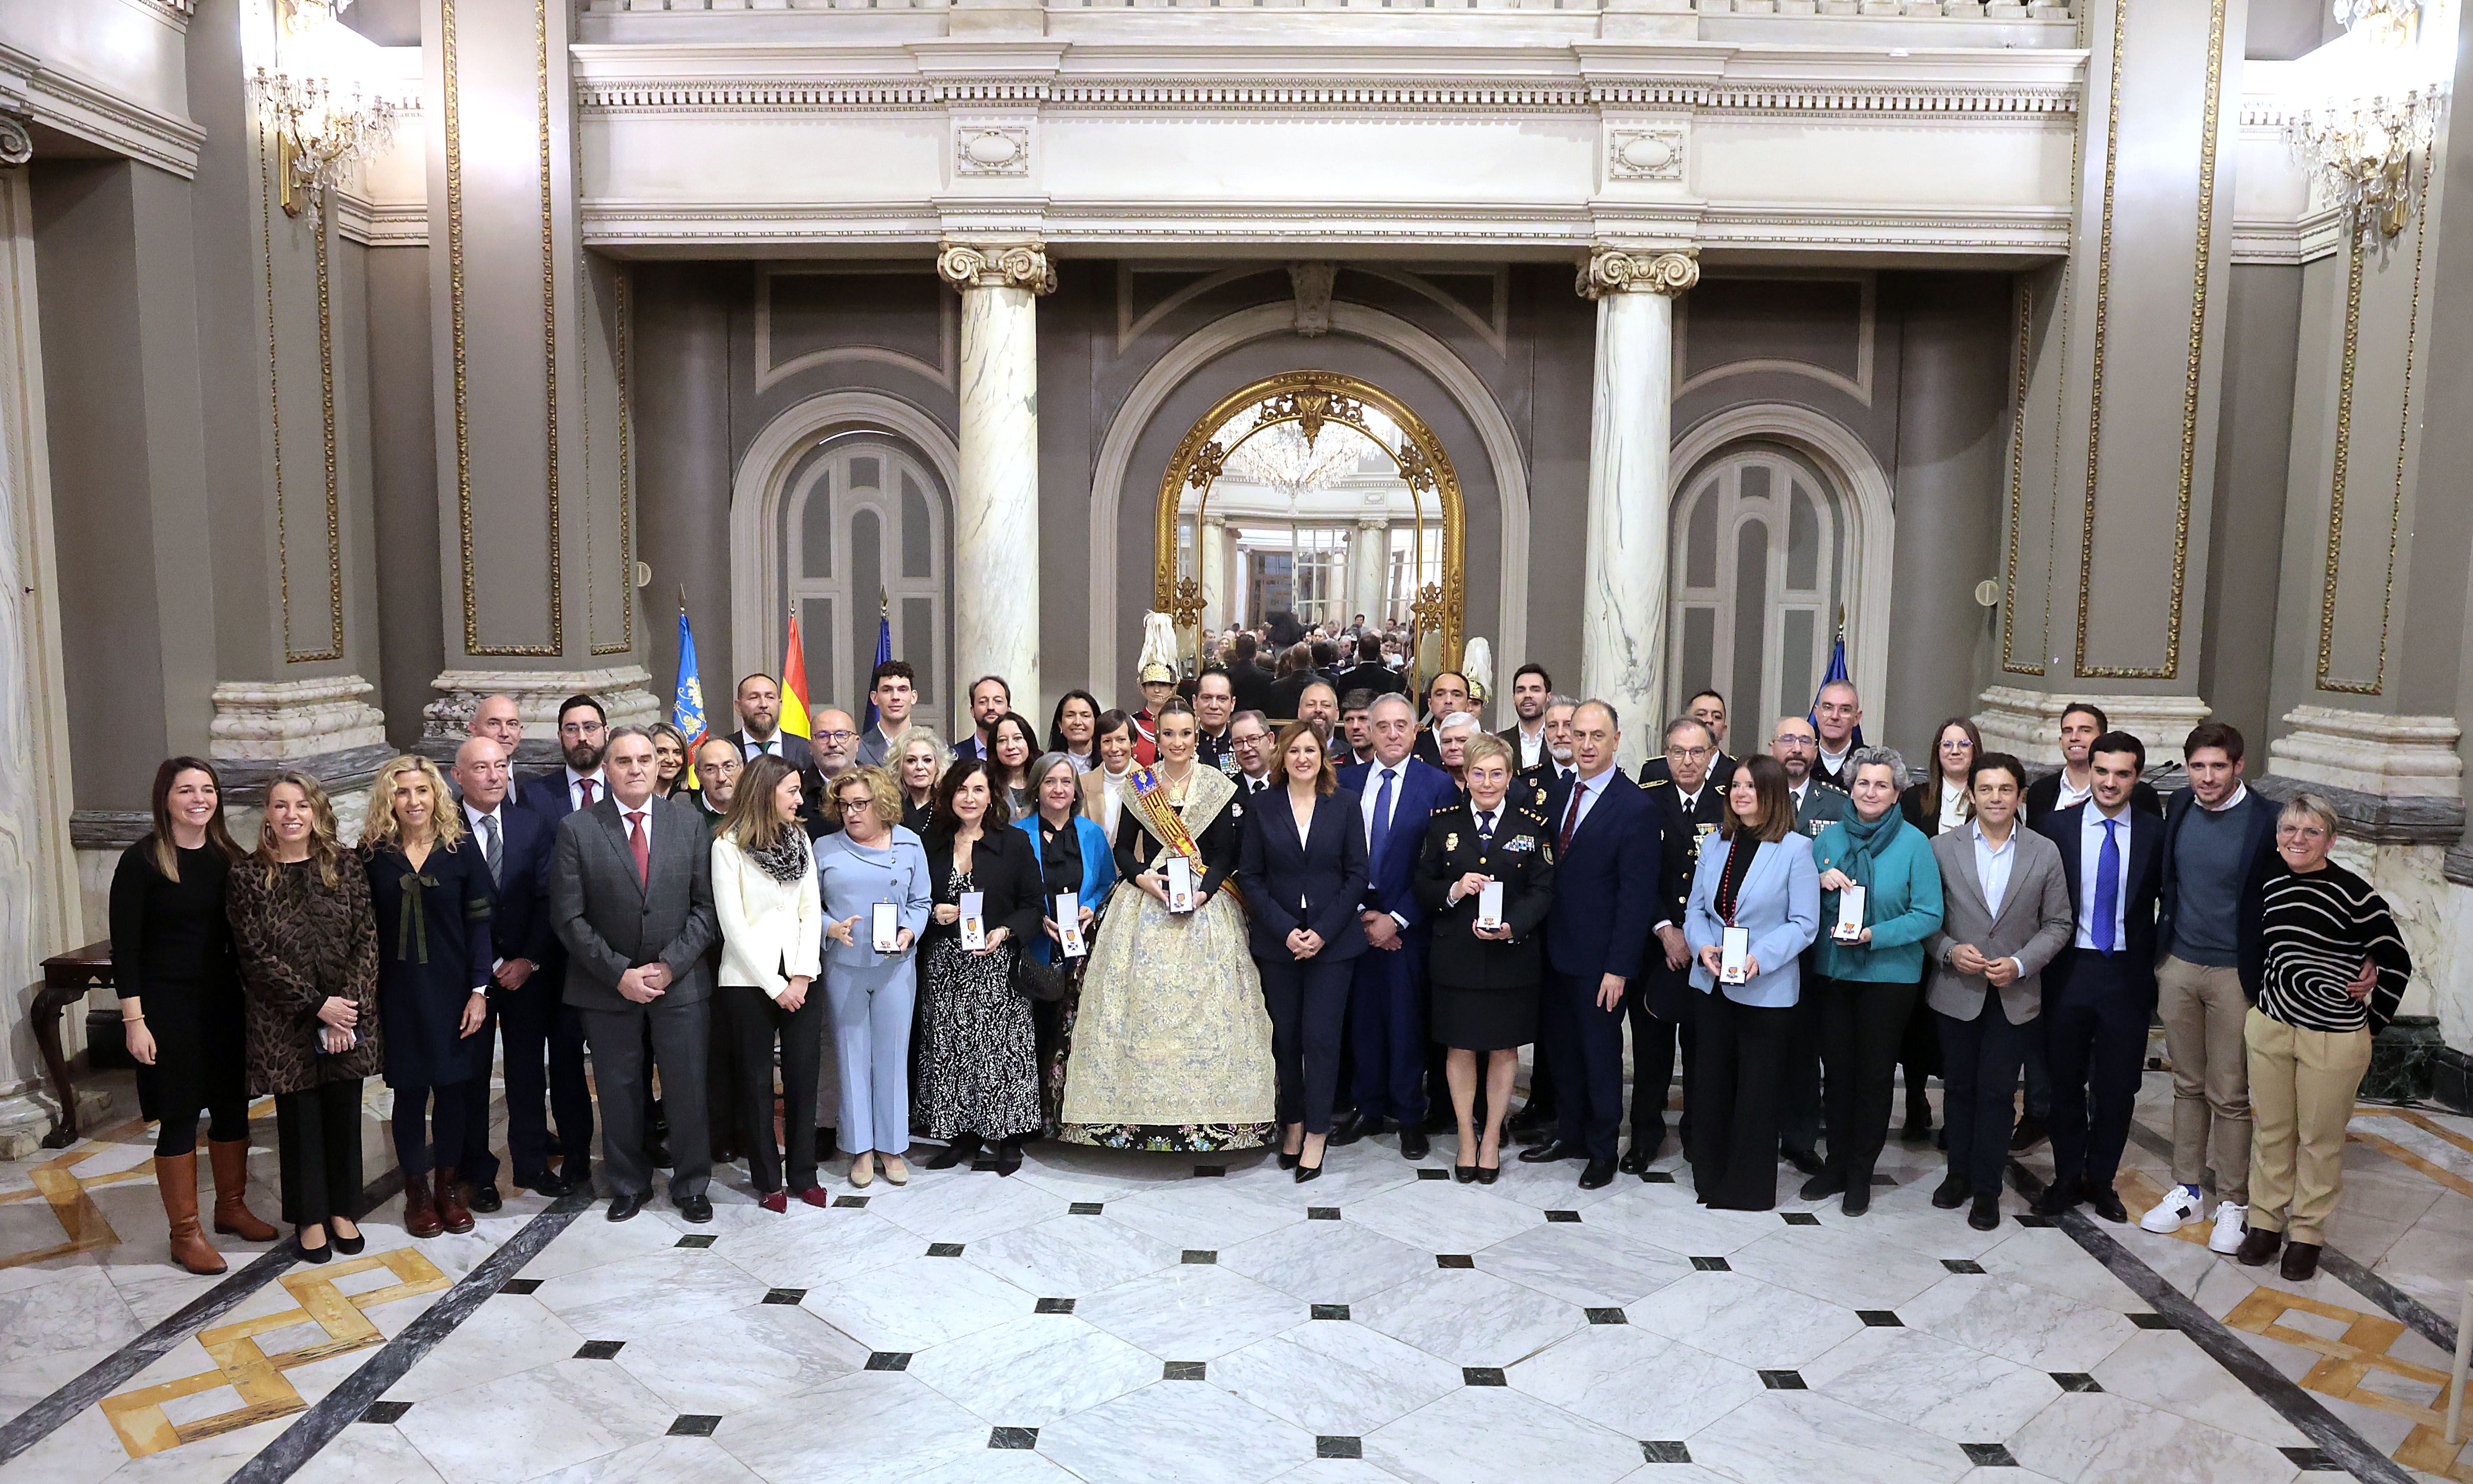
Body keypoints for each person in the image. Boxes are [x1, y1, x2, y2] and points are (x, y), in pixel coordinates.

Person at [1059, 701, 1278, 1151]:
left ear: (1197, 736)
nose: (1177, 743)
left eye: (1185, 734)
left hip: (1207, 904)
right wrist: (1144, 879)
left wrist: (1205, 891)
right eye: (1168, 735)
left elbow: (1224, 853)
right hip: (1146, 901)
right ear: (1155, 738)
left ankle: (1217, 1118)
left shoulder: (1221, 785)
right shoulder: (1141, 783)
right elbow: (1122, 848)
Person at [2233, 795, 2411, 1281]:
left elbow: (2396, 960)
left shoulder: (2355, 895)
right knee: (2271, 1131)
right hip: (2272, 1026)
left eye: (2311, 831)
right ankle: (2266, 1224)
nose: (2297, 839)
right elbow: (2254, 943)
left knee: (2319, 1139)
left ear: (2331, 840)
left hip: (2333, 1037)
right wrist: (2260, 1004)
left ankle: (2306, 1233)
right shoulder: (2268, 882)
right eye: (2289, 829)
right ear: (2277, 836)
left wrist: (2369, 1026)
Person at [550, 727, 722, 1224]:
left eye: (645, 759)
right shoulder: (577, 829)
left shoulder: (687, 824)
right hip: (607, 986)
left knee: (687, 1086)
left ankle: (692, 1184)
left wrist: (670, 965)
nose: (637, 768)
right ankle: (628, 1183)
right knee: (619, 1087)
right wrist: (620, 973)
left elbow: (706, 908)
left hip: (681, 981)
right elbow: (568, 917)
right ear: (606, 769)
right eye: (624, 760)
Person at [113, 758, 272, 1273]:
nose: (199, 798)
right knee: (181, 1114)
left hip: (224, 1003)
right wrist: (134, 1021)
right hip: (166, 1008)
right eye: (187, 790)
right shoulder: (141, 862)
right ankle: (185, 1233)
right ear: (166, 798)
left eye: (207, 789)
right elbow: (127, 951)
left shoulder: (229, 856)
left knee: (231, 1108)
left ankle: (230, 1208)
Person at [228, 772, 380, 1263]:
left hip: (346, 1018)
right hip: (285, 1021)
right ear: (268, 815)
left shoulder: (347, 865)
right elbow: (254, 956)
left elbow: (366, 938)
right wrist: (318, 1005)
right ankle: (311, 1216)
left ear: (316, 811)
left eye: (301, 805)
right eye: (280, 805)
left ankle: (343, 1210)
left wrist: (344, 1011)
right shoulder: (248, 875)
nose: (292, 814)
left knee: (343, 1113)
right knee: (301, 1123)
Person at [2142, 721, 2282, 1251]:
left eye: (2217, 766)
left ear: (2239, 766)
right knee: (2186, 1084)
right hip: (2178, 964)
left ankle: (2233, 1202)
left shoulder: (2267, 820)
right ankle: (2185, 1189)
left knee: (2230, 1093)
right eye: (2197, 766)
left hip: (2234, 974)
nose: (2206, 777)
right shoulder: (2177, 805)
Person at [1926, 753, 2073, 1232]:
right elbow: (1926, 919)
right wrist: (1948, 950)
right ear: (1971, 793)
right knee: (1960, 1088)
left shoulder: (2042, 851)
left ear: (2019, 796)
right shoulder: (1941, 848)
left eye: (2005, 789)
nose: (1994, 798)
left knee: (1996, 1093)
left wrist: (2019, 963)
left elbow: (2058, 923)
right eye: (1985, 789)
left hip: (2014, 994)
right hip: (1956, 990)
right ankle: (1958, 1175)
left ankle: (1986, 1190)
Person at [1520, 700, 1662, 1189]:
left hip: (1602, 961)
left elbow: (1636, 897)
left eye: (1595, 736)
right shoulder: (1560, 792)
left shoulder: (1635, 807)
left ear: (1616, 741)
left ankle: (1602, 1149)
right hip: (1554, 952)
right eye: (1577, 735)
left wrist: (1619, 968)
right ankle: (1570, 1133)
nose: (1584, 744)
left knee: (1600, 1056)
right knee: (1560, 1052)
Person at [2031, 730, 2164, 1224]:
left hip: (2126, 975)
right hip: (2068, 969)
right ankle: (2065, 1176)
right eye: (2101, 770)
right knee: (2062, 1081)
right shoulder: (2054, 827)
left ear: (2137, 777)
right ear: (2091, 769)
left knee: (2116, 1087)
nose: (2109, 782)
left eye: (2121, 773)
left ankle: (2101, 1179)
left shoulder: (2156, 833)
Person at [1803, 748, 1943, 1216]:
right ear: (1851, 787)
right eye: (1863, 783)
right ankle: (1836, 1164)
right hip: (1833, 974)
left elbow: (1928, 914)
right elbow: (1799, 902)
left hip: (1888, 976)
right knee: (1837, 1074)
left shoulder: (1914, 843)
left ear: (1897, 793)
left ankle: (1861, 1172)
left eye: (1881, 785)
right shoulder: (1826, 840)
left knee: (1874, 1077)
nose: (1870, 792)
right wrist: (1818, 880)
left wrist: (1873, 935)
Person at [361, 755, 496, 1239]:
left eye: (421, 790)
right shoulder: (372, 854)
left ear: (436, 794)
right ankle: (416, 1190)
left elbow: (481, 922)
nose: (413, 800)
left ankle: (448, 1185)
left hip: (454, 990)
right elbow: (361, 929)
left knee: (454, 1090)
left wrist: (480, 990)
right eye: (402, 792)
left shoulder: (459, 848)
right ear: (388, 799)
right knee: (410, 1091)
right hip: (397, 993)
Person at [1684, 755, 1821, 1211]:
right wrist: (1703, 946)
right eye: (1735, 785)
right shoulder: (1716, 844)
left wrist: (1759, 960)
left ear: (1772, 793)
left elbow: (1804, 924)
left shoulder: (1795, 849)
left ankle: (1746, 1187)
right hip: (1713, 983)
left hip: (1765, 990)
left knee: (1756, 1091)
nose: (1741, 793)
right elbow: (1697, 911)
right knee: (1711, 1084)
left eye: (1752, 786)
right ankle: (1710, 1174)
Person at [1415, 735, 1553, 1184]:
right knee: (1459, 1047)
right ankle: (1465, 1136)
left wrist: (1513, 925)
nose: (1487, 782)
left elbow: (1543, 890)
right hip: (1457, 954)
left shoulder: (1531, 825)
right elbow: (1422, 883)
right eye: (1478, 773)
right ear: (1465, 776)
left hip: (1511, 956)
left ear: (1509, 777)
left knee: (1502, 1048)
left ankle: (1492, 1136)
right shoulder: (1442, 823)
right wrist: (1455, 890)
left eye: (1497, 773)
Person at [1238, 722, 1370, 1181]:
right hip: (1279, 944)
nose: (1302, 758)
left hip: (1332, 946)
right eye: (1294, 749)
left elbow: (1357, 874)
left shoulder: (1345, 804)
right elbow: (1250, 876)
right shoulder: (1262, 805)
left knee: (1320, 1038)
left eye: (1310, 749)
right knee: (1286, 1038)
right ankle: (1291, 1124)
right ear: (1281, 756)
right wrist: (1287, 929)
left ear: (1323, 755)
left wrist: (1322, 932)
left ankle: (1317, 1131)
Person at [1331, 694, 1459, 1158]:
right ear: (1366, 728)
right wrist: (1360, 915)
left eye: (1399, 725)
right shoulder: (1345, 781)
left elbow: (1439, 865)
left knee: (1406, 1023)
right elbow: (1336, 856)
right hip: (1352, 924)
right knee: (1361, 1019)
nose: (1389, 734)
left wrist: (1396, 918)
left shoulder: (1438, 785)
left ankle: (1409, 1114)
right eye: (1380, 725)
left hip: (1408, 926)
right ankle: (1367, 1107)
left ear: (1414, 731)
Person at [916, 758, 1046, 1174]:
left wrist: (1004, 932)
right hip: (946, 965)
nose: (968, 798)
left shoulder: (1013, 842)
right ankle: (962, 1135)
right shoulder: (931, 843)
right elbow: (914, 901)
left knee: (1001, 1054)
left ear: (992, 796)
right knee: (952, 1052)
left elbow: (1032, 905)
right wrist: (934, 913)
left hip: (996, 965)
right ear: (948, 795)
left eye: (977, 790)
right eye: (960, 790)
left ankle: (1008, 1139)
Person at [710, 755, 826, 1211]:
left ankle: (803, 1173)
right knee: (756, 1083)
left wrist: (800, 974)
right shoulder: (727, 845)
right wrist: (774, 985)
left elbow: (809, 908)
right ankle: (768, 1179)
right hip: (747, 982)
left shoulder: (800, 837)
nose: (800, 799)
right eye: (792, 791)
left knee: (802, 1078)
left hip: (801, 977)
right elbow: (733, 925)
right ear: (765, 793)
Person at [455, 737, 564, 1203]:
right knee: (472, 1077)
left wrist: (528, 959)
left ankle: (532, 1163)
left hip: (526, 971)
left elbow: (547, 897)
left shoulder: (530, 823)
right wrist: (488, 964)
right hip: (468, 977)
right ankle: (476, 1171)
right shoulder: (445, 831)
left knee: (526, 1071)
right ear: (458, 776)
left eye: (501, 766)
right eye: (481, 768)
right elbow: (450, 911)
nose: (494, 776)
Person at [815, 767, 931, 1186]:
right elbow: (807, 906)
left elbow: (922, 901)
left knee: (891, 1055)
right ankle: (860, 1148)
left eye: (860, 804)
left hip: (895, 967)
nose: (851, 812)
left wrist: (910, 931)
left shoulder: (910, 843)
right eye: (844, 805)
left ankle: (892, 1146)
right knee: (850, 1056)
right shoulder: (824, 848)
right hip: (844, 966)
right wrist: (830, 927)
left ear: (881, 803)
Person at [1631, 716, 1726, 1172]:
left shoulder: (1729, 806)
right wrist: (1666, 929)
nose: (1686, 761)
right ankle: (1644, 1136)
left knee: (1702, 1050)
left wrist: (1694, 936)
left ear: (1711, 755)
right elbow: (1635, 876)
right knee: (1650, 1050)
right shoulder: (1645, 802)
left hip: (1707, 951)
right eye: (1676, 752)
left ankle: (1699, 1136)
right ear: (1664, 754)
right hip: (1656, 946)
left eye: (1696, 752)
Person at [1891, 717, 1981, 1144]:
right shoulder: (1913, 800)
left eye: (1964, 743)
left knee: (1956, 1020)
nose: (1955, 750)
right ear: (1936, 751)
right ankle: (1913, 1102)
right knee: (1915, 1018)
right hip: (1920, 917)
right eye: (1947, 743)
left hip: (1969, 922)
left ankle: (1953, 1114)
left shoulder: (1988, 798)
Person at [1020, 753, 1118, 1124]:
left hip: (1082, 948)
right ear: (1037, 788)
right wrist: (1036, 917)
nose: (1058, 789)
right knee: (1037, 1031)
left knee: (1073, 1031)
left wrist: (1091, 905)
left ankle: (1067, 1116)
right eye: (1050, 782)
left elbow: (1109, 881)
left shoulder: (1091, 833)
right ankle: (1031, 1115)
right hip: (1037, 947)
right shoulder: (1019, 833)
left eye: (1066, 781)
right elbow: (1011, 890)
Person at [2024, 702, 2163, 827]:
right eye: (2068, 731)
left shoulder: (2142, 795)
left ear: (2103, 738)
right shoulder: (2040, 791)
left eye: (2085, 730)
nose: (2074, 738)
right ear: (2061, 741)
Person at [518, 693, 611, 819]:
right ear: (561, 737)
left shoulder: (625, 788)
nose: (582, 737)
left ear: (606, 733)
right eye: (572, 729)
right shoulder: (535, 795)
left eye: (590, 727)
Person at [730, 673, 820, 778]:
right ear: (738, 707)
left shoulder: (806, 749)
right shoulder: (726, 749)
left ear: (780, 705)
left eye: (770, 697)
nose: (763, 705)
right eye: (754, 698)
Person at [1770, 715, 1847, 838]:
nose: (1797, 749)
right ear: (1772, 749)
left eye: (1805, 741)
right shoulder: (1757, 798)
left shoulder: (1838, 804)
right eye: (1788, 740)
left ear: (1816, 752)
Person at [1643, 690, 1735, 788]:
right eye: (1701, 714)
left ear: (1724, 730)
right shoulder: (1655, 771)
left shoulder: (1737, 773)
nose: (1709, 720)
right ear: (1685, 723)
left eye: (1717, 717)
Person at [1079, 709, 1142, 838]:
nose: (1114, 749)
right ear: (1099, 745)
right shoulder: (1082, 784)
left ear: (1133, 742)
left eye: (1121, 740)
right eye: (1107, 741)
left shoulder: (1150, 782)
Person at [857, 660, 920, 766]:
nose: (895, 697)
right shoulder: (858, 750)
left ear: (913, 697)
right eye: (887, 690)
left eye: (902, 690)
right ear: (874, 698)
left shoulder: (936, 748)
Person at [986, 711, 1041, 819]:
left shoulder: (1042, 781)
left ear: (1029, 742)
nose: (1010, 746)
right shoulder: (988, 785)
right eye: (1002, 740)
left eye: (1017, 738)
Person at [1412, 671, 1473, 768]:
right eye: (1440, 695)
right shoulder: (1412, 745)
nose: (1448, 701)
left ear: (1468, 705)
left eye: (1457, 695)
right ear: (1430, 704)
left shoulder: (1485, 745)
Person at [892, 725, 946, 834]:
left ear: (938, 766)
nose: (920, 767)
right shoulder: (890, 806)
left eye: (927, 760)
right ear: (900, 767)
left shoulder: (947, 806)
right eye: (911, 761)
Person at [1499, 664, 1552, 769]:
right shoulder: (1499, 742)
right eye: (1521, 691)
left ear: (1548, 697)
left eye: (1535, 690)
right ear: (1514, 699)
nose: (1527, 695)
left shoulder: (1560, 740)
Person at [1811, 681, 1862, 790]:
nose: (1835, 716)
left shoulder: (1869, 764)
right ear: (1816, 714)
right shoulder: (1803, 760)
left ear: (1857, 718)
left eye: (1845, 710)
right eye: (1828, 707)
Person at [684, 737, 740, 829]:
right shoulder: (685, 816)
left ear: (741, 768)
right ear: (698, 775)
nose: (722, 778)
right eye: (711, 770)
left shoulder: (757, 812)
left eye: (728, 767)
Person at [954, 674, 1011, 762]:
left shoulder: (1024, 756)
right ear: (973, 711)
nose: (991, 707)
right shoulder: (955, 757)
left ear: (1009, 710)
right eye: (983, 702)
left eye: (998, 701)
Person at [1130, 661, 1178, 763]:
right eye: (1151, 685)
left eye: (1163, 685)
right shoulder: (1132, 723)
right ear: (1144, 688)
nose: (1157, 690)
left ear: (1172, 688)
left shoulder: (1181, 722)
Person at [1336, 633, 1404, 702]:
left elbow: (1341, 701)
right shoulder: (1391, 677)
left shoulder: (1346, 676)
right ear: (1379, 654)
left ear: (1360, 653)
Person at [1047, 689, 1103, 773]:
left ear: (1096, 722)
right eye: (1070, 715)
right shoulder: (1048, 765)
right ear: (1060, 724)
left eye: (1085, 716)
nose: (1077, 722)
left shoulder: (1109, 761)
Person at [1227, 710, 1277, 800]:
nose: (1246, 748)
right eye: (1238, 742)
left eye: (1254, 739)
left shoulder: (1289, 786)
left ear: (1270, 740)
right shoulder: (1227, 792)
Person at [1193, 669, 1237, 768]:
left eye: (1222, 699)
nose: (1214, 706)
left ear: (1232, 704)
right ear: (1195, 702)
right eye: (1206, 698)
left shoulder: (1241, 745)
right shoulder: (1182, 744)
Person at [1227, 631, 1276, 716]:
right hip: (1258, 722)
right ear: (1255, 654)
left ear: (1236, 653)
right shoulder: (1267, 677)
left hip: (1232, 721)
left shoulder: (1226, 677)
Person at [647, 722, 691, 799]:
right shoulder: (634, 797)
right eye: (661, 752)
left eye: (677, 752)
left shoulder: (691, 801)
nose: (670, 760)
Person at [1295, 680, 1339, 744]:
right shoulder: (1284, 752)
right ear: (1299, 712)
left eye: (1326, 705)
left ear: (1337, 714)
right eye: (1311, 705)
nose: (1318, 710)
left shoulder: (1351, 753)